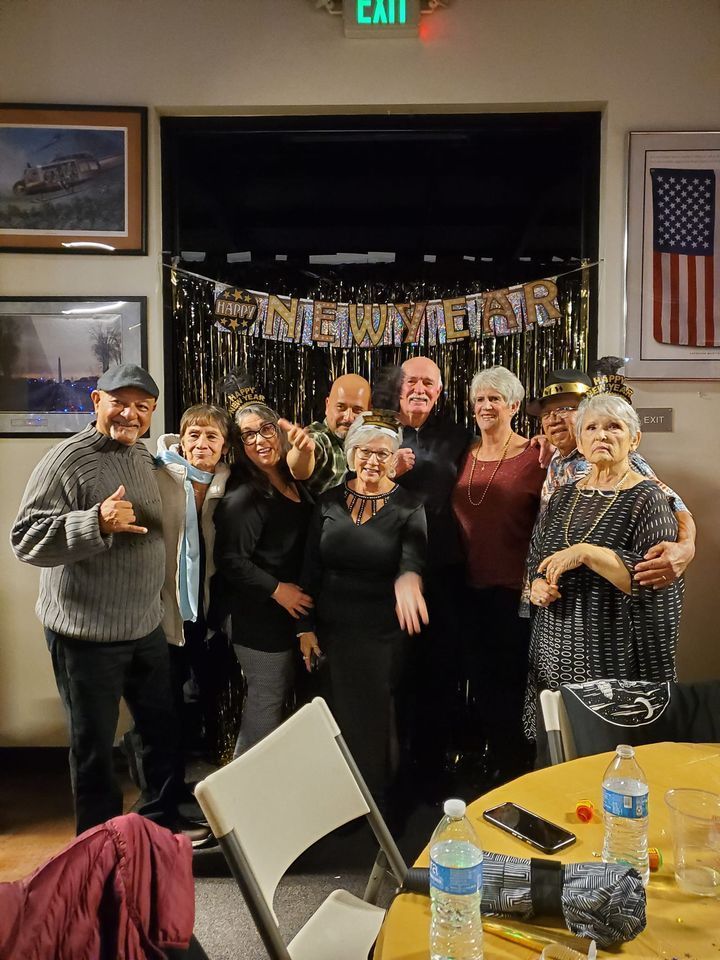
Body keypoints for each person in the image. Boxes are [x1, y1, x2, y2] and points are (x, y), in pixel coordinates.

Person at [10, 364, 185, 835]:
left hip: (144, 625)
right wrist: (95, 523)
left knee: (159, 732)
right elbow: (25, 540)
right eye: (120, 403)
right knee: (92, 747)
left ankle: (157, 826)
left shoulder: (144, 456)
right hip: (86, 635)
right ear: (96, 402)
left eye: (142, 407)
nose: (130, 415)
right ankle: (98, 844)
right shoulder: (65, 459)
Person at [523, 383, 684, 742]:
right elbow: (536, 555)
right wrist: (536, 584)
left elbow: (654, 583)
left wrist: (588, 553)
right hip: (551, 654)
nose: (602, 435)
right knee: (556, 755)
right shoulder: (564, 494)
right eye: (592, 428)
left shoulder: (648, 498)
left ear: (634, 439)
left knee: (603, 760)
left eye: (614, 427)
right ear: (580, 442)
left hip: (611, 661)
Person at [297, 408, 428, 806]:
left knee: (372, 721)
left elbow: (413, 558)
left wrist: (409, 579)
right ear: (351, 453)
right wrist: (304, 627)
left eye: (383, 454)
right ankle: (333, 803)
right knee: (330, 717)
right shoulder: (328, 501)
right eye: (365, 452)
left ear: (396, 459)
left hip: (380, 634)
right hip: (330, 633)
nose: (373, 461)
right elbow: (310, 567)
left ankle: (372, 805)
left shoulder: (410, 505)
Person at [451, 365, 547, 782]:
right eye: (479, 399)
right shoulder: (463, 454)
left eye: (495, 398)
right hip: (464, 591)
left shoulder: (537, 456)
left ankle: (513, 771)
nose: (486, 405)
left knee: (509, 687)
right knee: (475, 682)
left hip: (512, 593)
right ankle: (484, 764)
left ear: (513, 405)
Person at [212, 377, 314, 757]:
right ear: (239, 445)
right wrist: (278, 590)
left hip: (285, 616)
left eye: (265, 430)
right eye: (248, 435)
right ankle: (239, 803)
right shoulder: (244, 496)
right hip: (256, 619)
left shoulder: (287, 477)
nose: (259, 440)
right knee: (265, 706)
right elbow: (230, 559)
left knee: (278, 705)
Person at [527, 365, 696, 587]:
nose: (553, 419)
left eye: (565, 409)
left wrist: (686, 546)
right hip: (553, 588)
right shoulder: (556, 457)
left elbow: (672, 503)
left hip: (601, 592)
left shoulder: (617, 457)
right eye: (547, 413)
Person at [155, 404, 233, 757]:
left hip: (209, 607)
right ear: (182, 441)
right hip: (165, 606)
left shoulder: (228, 485)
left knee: (205, 690)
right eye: (194, 435)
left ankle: (200, 766)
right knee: (165, 696)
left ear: (224, 446)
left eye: (211, 436)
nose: (202, 443)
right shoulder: (158, 474)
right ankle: (167, 779)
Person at [288, 373, 371, 495]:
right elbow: (299, 471)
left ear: (369, 411)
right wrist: (302, 451)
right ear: (327, 405)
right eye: (341, 407)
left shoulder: (371, 439)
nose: (348, 417)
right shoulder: (320, 437)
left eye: (357, 410)